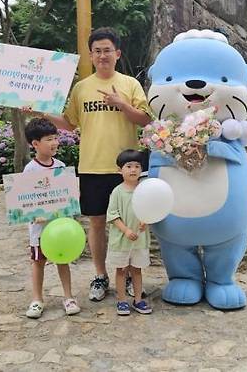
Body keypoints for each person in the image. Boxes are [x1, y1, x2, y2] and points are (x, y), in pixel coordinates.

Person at [35, 27, 152, 302]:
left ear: (117, 53)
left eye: (107, 50)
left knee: (132, 222)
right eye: (97, 51)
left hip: (127, 168)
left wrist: (121, 103)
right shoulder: (81, 88)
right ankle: (100, 275)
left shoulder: (130, 85)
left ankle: (132, 276)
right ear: (90, 55)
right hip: (91, 167)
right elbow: (70, 123)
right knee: (97, 223)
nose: (102, 55)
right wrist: (43, 112)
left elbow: (145, 120)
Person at [23, 118, 81, 318]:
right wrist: (34, 214)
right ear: (35, 144)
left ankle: (68, 296)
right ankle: (37, 299)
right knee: (38, 262)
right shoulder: (30, 170)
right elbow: (25, 200)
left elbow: (67, 196)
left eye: (56, 138)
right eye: (49, 139)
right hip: (40, 230)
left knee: (62, 260)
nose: (54, 142)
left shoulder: (61, 166)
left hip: (60, 229)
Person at [106, 149, 152, 316]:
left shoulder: (144, 189)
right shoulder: (117, 192)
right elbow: (112, 215)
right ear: (120, 170)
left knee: (137, 270)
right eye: (128, 166)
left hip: (139, 240)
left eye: (137, 166)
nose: (133, 170)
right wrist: (125, 230)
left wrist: (145, 221)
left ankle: (138, 299)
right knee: (121, 270)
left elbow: (150, 210)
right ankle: (122, 300)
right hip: (121, 241)